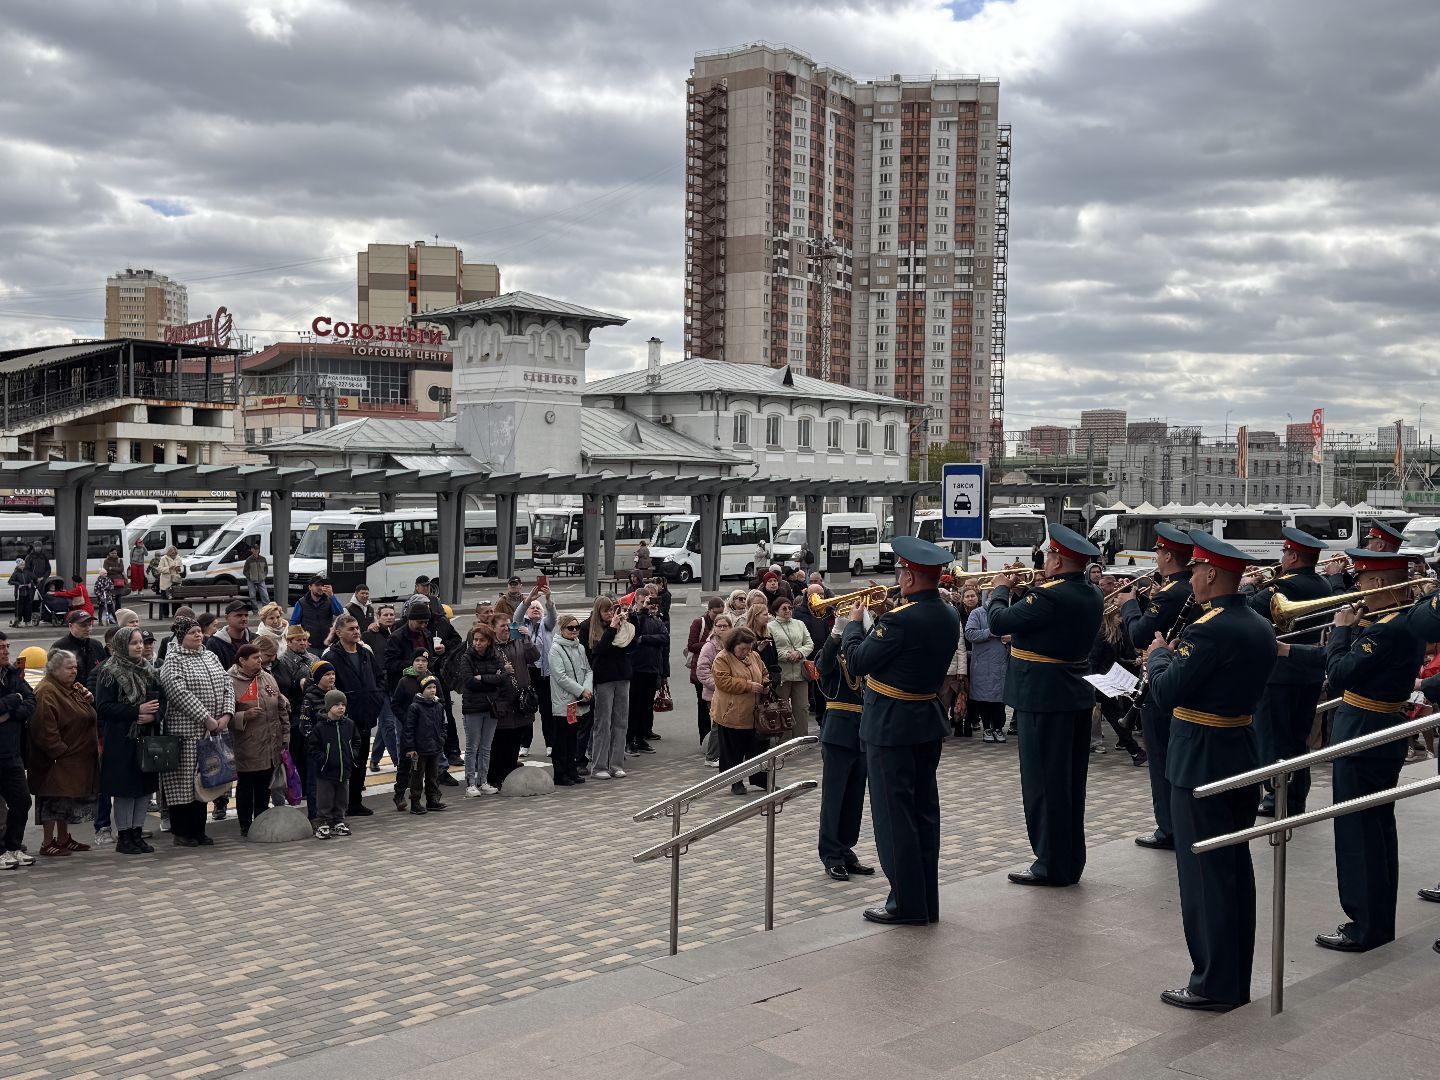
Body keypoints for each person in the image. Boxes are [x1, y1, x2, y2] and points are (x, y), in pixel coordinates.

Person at [1146, 530, 1276, 1012]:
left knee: (1205, 877)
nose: (1192, 579)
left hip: (1200, 756)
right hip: (1237, 748)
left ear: (1211, 573)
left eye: (1197, 570)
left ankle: (1213, 983)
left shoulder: (1209, 629)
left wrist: (1159, 655)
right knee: (1232, 873)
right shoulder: (1258, 625)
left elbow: (1165, 693)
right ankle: (1231, 975)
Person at [1283, 549, 1423, 953]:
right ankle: (1375, 919)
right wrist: (1294, 651)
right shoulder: (1393, 621)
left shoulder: (1387, 629)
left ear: (1378, 584)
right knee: (1375, 829)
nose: (1357, 587)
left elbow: (1341, 673)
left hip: (1365, 732)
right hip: (1373, 729)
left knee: (1359, 832)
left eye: (1362, 580)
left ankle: (1366, 926)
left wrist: (1342, 631)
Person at [839, 535, 958, 925]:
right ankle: (924, 901)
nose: (899, 576)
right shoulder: (947, 613)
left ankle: (905, 904)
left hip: (891, 724)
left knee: (894, 817)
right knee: (924, 813)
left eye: (901, 570)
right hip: (924, 720)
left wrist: (854, 625)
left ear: (909, 576)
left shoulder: (899, 620)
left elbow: (857, 662)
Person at [991, 524, 1103, 889]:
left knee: (1044, 785)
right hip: (1072, 696)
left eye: (1049, 556)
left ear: (1057, 560)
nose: (1046, 561)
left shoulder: (1049, 597)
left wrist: (1000, 590)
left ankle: (1050, 864)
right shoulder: (1089, 593)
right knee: (1070, 784)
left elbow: (998, 622)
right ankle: (1070, 859)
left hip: (1043, 698)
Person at [1242, 527, 1332, 818]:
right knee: (1297, 739)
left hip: (1280, 672)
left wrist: (1246, 584)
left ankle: (1277, 797)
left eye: (1284, 553)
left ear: (1293, 556)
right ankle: (1296, 798)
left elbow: (1251, 608)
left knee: (1273, 738)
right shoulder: (1323, 583)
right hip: (1307, 671)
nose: (1280, 558)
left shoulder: (1286, 586)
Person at [1117, 523, 1195, 851]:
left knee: (1162, 760)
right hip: (1178, 678)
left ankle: (1168, 829)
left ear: (1168, 556)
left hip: (1161, 680)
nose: (1157, 557)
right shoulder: (1179, 589)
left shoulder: (1170, 593)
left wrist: (1128, 605)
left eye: (1159, 552)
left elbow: (1138, 635)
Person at [159, 615, 234, 847]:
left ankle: (199, 831)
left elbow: (226, 684)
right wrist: (206, 719)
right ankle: (182, 833)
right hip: (187, 733)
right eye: (192, 633)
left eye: (199, 631)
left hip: (212, 733)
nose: (198, 635)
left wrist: (226, 715)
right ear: (182, 636)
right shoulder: (173, 661)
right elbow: (179, 693)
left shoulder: (210, 655)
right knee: (184, 785)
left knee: (206, 782)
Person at [93, 627, 162, 855]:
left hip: (146, 737)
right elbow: (103, 707)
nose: (139, 646)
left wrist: (153, 715)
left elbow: (162, 700)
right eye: (134, 643)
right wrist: (135, 711)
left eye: (141, 642)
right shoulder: (109, 670)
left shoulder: (148, 670)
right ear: (122, 645)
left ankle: (137, 832)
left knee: (144, 787)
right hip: (121, 739)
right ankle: (124, 836)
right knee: (125, 789)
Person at [816, 611, 873, 881]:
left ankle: (845, 848)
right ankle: (830, 854)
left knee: (854, 798)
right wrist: (836, 633)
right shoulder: (836, 653)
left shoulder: (861, 653)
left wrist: (870, 627)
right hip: (838, 731)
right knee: (834, 797)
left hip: (863, 731)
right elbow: (821, 666)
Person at [27, 649, 99, 857]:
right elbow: (44, 729)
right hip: (57, 760)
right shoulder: (47, 691)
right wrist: (60, 751)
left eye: (75, 667)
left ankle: (63, 838)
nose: (74, 671)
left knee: (64, 801)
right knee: (52, 799)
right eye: (69, 668)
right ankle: (48, 842)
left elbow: (86, 715)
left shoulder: (69, 687)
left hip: (73, 757)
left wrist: (88, 699)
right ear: (55, 668)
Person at [322, 614, 382, 818]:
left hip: (365, 715)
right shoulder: (331, 656)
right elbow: (328, 686)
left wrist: (377, 699)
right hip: (344, 718)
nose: (356, 631)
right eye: (351, 629)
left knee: (361, 758)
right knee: (343, 761)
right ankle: (340, 805)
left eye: (357, 628)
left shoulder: (365, 653)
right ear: (338, 632)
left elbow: (379, 678)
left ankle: (355, 801)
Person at [228, 643, 288, 838]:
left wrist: (285, 736)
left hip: (270, 743)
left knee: (264, 785)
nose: (259, 661)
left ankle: (261, 821)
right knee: (247, 785)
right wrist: (243, 716)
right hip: (247, 745)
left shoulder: (267, 677)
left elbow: (280, 707)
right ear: (242, 661)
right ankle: (245, 825)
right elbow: (225, 715)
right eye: (255, 658)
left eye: (260, 657)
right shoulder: (230, 681)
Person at [710, 627, 769, 795]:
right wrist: (749, 686)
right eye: (742, 648)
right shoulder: (722, 658)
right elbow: (723, 682)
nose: (745, 652)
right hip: (731, 713)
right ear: (733, 645)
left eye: (748, 648)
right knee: (732, 751)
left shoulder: (754, 656)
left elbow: (764, 673)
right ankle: (735, 782)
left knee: (756, 749)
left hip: (753, 713)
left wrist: (765, 684)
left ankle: (760, 780)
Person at [578, 596, 633, 780]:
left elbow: (631, 645)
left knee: (621, 721)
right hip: (603, 679)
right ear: (598, 611)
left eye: (612, 610)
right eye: (606, 610)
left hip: (622, 676)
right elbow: (598, 651)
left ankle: (616, 764)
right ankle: (599, 765)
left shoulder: (619, 623)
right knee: (602, 722)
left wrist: (625, 625)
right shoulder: (587, 628)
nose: (610, 614)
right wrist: (611, 629)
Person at [453, 623, 504, 796]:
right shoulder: (467, 657)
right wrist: (492, 680)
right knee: (472, 747)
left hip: (491, 707)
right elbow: (468, 681)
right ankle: (470, 783)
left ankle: (483, 781)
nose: (477, 643)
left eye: (481, 640)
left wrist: (482, 677)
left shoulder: (495, 656)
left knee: (486, 747)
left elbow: (502, 678)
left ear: (489, 641)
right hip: (473, 708)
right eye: (475, 640)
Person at [0, 633, 37, 870]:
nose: (6, 651)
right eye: (1, 647)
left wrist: (10, 712)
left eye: (7, 646)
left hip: (11, 752)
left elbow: (32, 700)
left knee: (22, 801)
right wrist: (15, 698)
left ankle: (14, 846)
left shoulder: (12, 673)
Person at [489, 619, 540, 788]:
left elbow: (534, 657)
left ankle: (510, 772)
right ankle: (496, 776)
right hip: (502, 699)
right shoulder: (491, 647)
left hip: (519, 700)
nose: (507, 628)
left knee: (515, 737)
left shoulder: (517, 642)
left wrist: (527, 640)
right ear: (493, 628)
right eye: (502, 626)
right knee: (500, 740)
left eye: (508, 625)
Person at [511, 592, 557, 756]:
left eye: (538, 607)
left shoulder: (546, 625)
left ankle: (550, 743)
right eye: (532, 608)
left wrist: (549, 600)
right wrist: (527, 601)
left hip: (544, 673)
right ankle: (525, 744)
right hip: (527, 672)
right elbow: (516, 615)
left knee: (547, 710)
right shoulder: (521, 625)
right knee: (526, 708)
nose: (535, 609)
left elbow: (553, 617)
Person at [547, 614, 590, 786]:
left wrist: (586, 689)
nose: (574, 631)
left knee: (573, 737)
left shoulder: (579, 647)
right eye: (570, 628)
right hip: (565, 701)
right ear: (562, 629)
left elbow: (588, 670)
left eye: (576, 628)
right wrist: (581, 691)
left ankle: (571, 770)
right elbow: (560, 677)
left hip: (578, 701)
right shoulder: (556, 649)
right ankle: (560, 773)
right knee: (561, 739)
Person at [307, 689, 356, 838]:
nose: (341, 707)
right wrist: (324, 759)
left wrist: (352, 755)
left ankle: (339, 821)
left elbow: (357, 741)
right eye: (336, 705)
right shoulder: (320, 727)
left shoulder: (349, 724)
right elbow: (312, 747)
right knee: (325, 798)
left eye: (343, 704)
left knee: (342, 797)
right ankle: (323, 822)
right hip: (326, 771)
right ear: (329, 707)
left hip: (344, 769)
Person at [961, 586, 1007, 742]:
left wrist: (1010, 637)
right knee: (984, 698)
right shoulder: (977, 613)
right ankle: (987, 728)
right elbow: (969, 633)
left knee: (1000, 699)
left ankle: (999, 728)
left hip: (1002, 662)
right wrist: (990, 632)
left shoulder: (1007, 611)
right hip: (983, 663)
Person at [626, 593, 668, 755]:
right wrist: (642, 611)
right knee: (634, 707)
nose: (649, 605)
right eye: (644, 602)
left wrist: (645, 639)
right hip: (636, 669)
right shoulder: (636, 618)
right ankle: (630, 740)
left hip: (652, 669)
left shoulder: (658, 621)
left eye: (650, 602)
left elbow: (664, 639)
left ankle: (641, 738)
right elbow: (635, 635)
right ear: (637, 602)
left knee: (645, 708)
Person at [767, 596, 814, 738]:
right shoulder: (770, 626)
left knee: (802, 708)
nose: (788, 611)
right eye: (784, 608)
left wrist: (799, 653)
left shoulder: (799, 624)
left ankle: (802, 737)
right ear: (776, 611)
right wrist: (787, 655)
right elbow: (772, 649)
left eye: (790, 608)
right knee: (782, 708)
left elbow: (809, 643)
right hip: (782, 674)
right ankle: (784, 741)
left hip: (800, 672)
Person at [400, 676, 447, 814]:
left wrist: (441, 739)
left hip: (435, 748)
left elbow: (443, 725)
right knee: (417, 776)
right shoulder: (415, 707)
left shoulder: (438, 706)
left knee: (433, 776)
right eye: (429, 688)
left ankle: (432, 800)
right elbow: (409, 729)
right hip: (419, 750)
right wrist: (410, 748)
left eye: (434, 687)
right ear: (422, 690)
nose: (432, 690)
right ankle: (415, 802)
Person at [696, 612, 735, 767]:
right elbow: (702, 670)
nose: (723, 629)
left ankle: (723, 754)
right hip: (714, 693)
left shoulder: (733, 645)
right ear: (714, 628)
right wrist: (719, 685)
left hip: (731, 692)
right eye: (719, 626)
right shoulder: (709, 646)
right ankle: (711, 756)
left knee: (727, 724)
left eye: (726, 626)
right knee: (718, 725)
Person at [686, 597, 724, 747]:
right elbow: (691, 645)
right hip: (700, 672)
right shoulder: (699, 623)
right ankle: (705, 739)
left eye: (721, 612)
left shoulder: (723, 624)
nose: (718, 615)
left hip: (718, 673)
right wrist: (711, 643)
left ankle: (716, 740)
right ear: (709, 610)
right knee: (703, 707)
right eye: (716, 613)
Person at [51, 611, 106, 688]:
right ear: (71, 626)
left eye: (90, 625)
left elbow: (104, 671)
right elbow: (53, 677)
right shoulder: (60, 647)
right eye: (83, 625)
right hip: (71, 694)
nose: (88, 629)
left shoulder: (96, 645)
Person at [289, 575, 343, 646]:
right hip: (310, 645)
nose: (320, 588)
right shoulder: (301, 603)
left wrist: (332, 596)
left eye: (322, 585)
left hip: (328, 643)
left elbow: (339, 613)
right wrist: (300, 640)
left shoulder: (329, 600)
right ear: (310, 587)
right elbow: (293, 623)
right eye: (317, 585)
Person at [206, 600, 256, 670]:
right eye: (239, 615)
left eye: (246, 615)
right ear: (226, 618)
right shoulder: (214, 643)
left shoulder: (255, 639)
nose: (244, 619)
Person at [9, 559, 37, 627]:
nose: (23, 566)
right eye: (21, 565)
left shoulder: (26, 572)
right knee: (19, 609)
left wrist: (30, 584)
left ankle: (27, 621)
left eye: (23, 565)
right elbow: (10, 581)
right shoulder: (15, 573)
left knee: (27, 608)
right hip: (19, 594)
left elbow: (30, 580)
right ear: (18, 565)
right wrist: (18, 584)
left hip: (26, 593)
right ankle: (18, 621)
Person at [243, 544, 269, 611]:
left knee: (265, 595)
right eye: (254, 549)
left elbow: (266, 569)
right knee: (252, 596)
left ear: (258, 550)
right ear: (252, 550)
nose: (255, 551)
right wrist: (250, 577)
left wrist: (264, 576)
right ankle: (255, 610)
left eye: (257, 549)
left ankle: (266, 610)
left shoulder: (263, 559)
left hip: (261, 580)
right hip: (251, 581)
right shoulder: (248, 560)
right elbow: (245, 571)